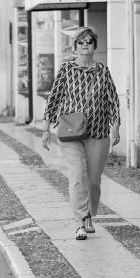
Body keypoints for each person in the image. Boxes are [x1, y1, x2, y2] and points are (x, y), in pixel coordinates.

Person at [40, 26, 121, 240]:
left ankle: (89, 215)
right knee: (78, 177)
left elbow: (112, 100)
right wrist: (46, 128)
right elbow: (54, 98)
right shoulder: (66, 70)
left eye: (89, 41)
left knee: (93, 180)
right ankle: (80, 222)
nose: (85, 44)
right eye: (81, 41)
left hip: (98, 131)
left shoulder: (103, 71)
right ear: (75, 46)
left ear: (95, 45)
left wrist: (116, 125)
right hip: (70, 133)